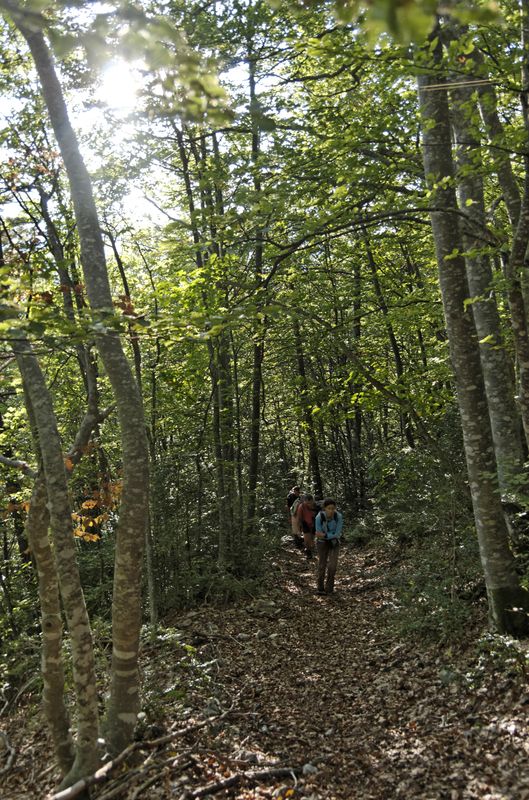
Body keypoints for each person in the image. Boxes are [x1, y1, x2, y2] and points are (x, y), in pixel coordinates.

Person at [315, 498, 343, 595]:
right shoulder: (319, 517)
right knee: (322, 565)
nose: (331, 510)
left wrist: (326, 535)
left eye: (333, 508)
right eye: (329, 508)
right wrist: (331, 534)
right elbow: (318, 533)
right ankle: (320, 588)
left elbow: (338, 533)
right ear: (324, 508)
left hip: (334, 542)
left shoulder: (338, 516)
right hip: (321, 542)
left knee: (332, 566)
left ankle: (329, 588)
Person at [296, 494, 318, 558]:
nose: (309, 504)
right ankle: (308, 552)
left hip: (314, 523)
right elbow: (299, 519)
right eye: (307, 503)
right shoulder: (302, 506)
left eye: (310, 503)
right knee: (307, 538)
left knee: (312, 539)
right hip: (305, 523)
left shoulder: (317, 506)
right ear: (305, 501)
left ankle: (310, 548)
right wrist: (298, 530)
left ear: (313, 500)